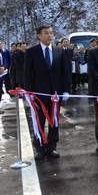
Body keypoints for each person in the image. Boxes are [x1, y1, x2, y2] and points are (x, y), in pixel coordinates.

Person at [24, 25, 71, 160]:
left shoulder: (59, 51)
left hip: (55, 94)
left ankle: (52, 147)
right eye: (46, 33)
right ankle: (39, 147)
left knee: (54, 121)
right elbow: (27, 73)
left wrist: (66, 90)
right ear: (39, 36)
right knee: (39, 121)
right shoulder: (32, 52)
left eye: (51, 33)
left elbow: (65, 72)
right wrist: (29, 92)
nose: (50, 35)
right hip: (39, 94)